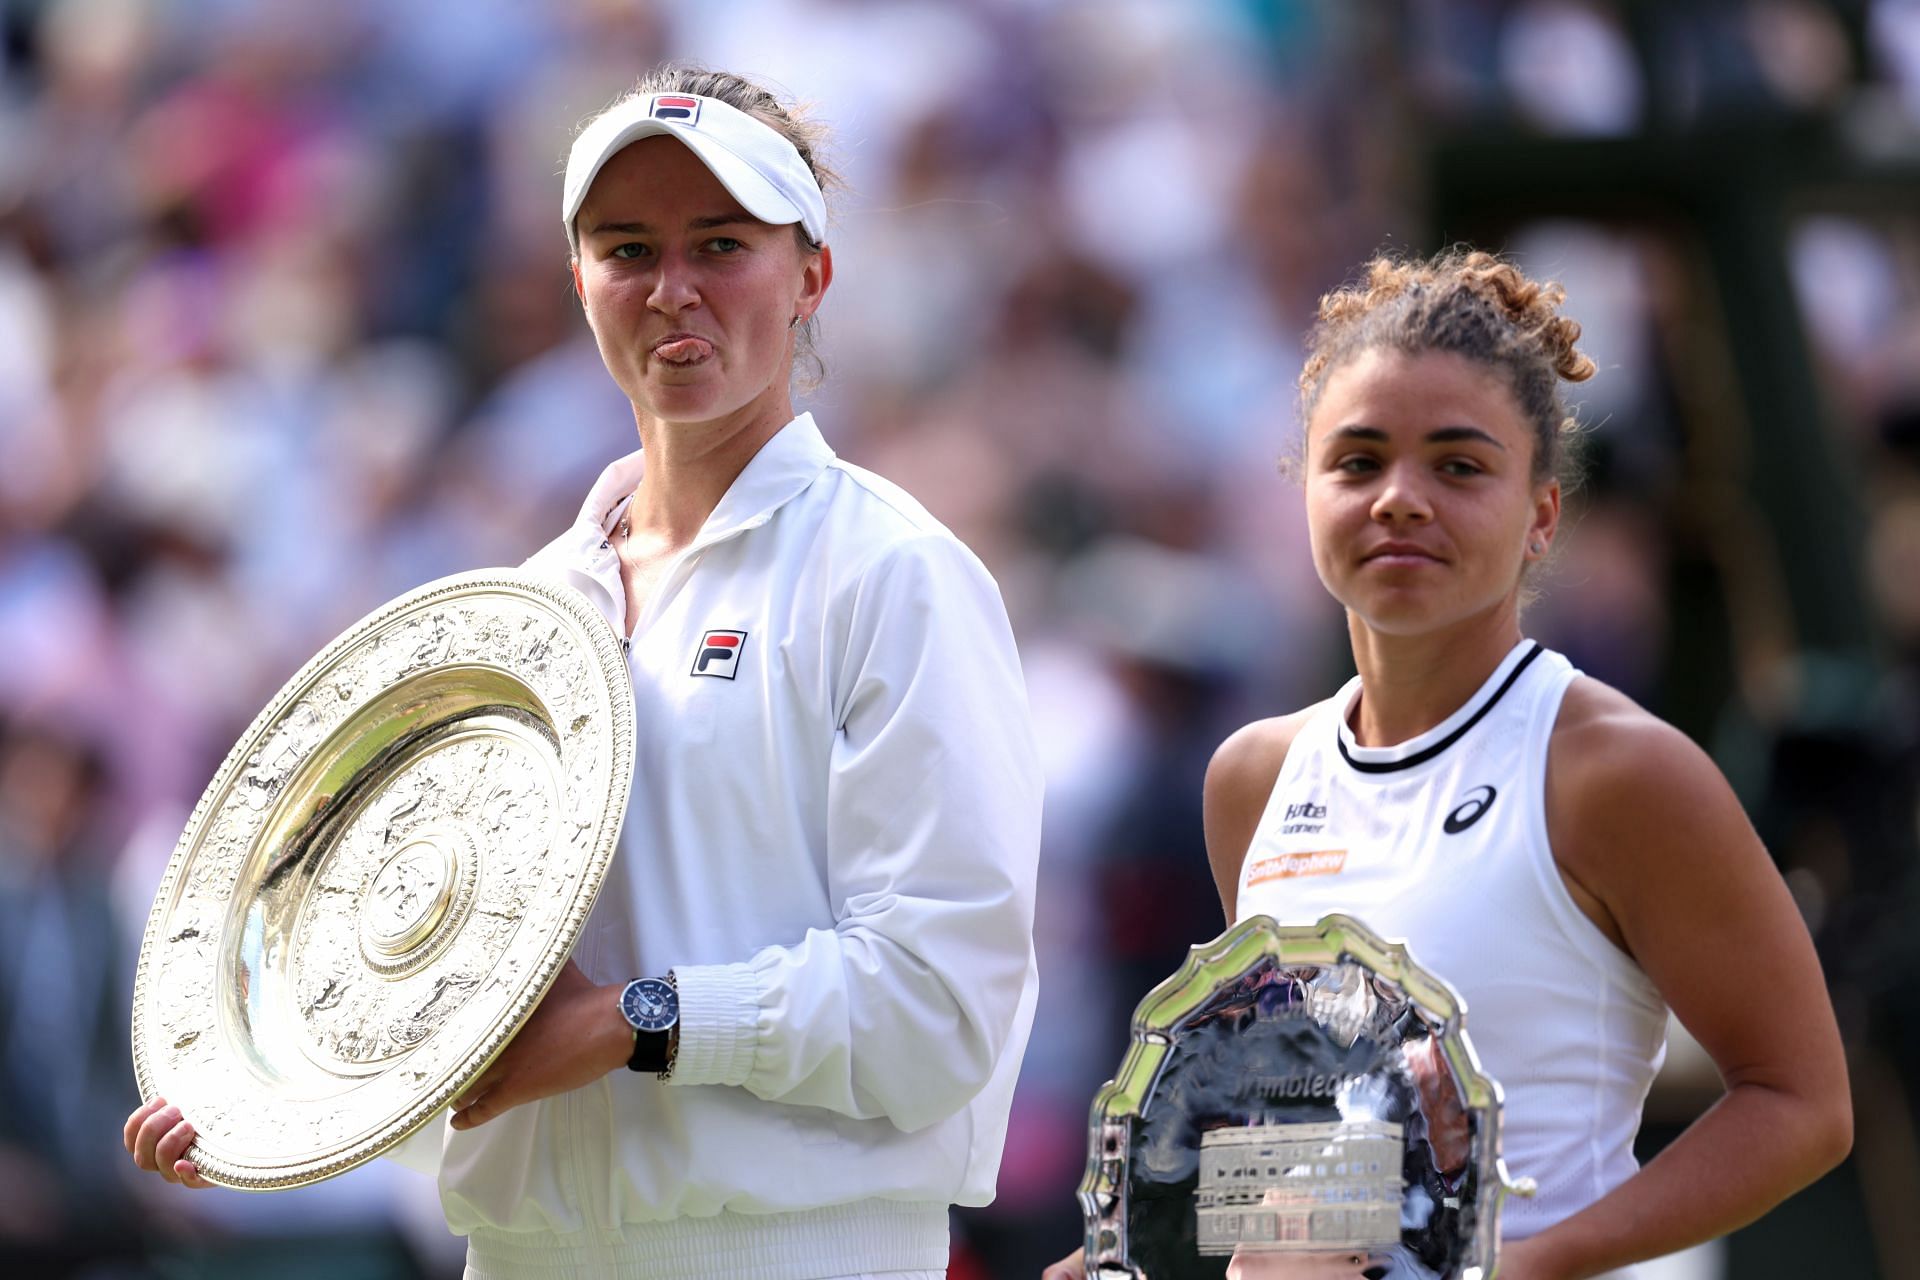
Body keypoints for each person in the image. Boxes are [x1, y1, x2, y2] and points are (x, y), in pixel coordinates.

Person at [126, 65, 1043, 1280]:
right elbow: (453, 1027)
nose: (674, 288)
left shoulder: (896, 573)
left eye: (722, 243)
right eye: (627, 248)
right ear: (578, 282)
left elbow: (940, 1008)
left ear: (811, 273)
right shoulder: (521, 612)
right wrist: (270, 1099)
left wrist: (633, 1023)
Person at [1045, 251, 1851, 1280]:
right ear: (1304, 493)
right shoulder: (1252, 777)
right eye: (1359, 459)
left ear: (1542, 515)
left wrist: (1523, 1264)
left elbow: (1802, 1103)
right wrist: (1136, 1247)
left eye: (1459, 466)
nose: (1400, 498)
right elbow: (1330, 1116)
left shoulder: (1618, 772)